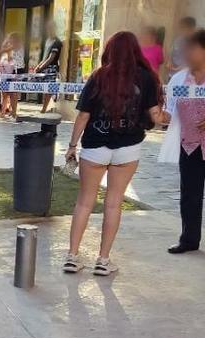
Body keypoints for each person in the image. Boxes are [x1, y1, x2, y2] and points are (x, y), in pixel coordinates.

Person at [63, 32, 165, 276]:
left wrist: (72, 145)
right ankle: (103, 260)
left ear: (108, 51)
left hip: (95, 148)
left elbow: (83, 115)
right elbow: (156, 118)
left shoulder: (99, 76)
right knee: (113, 204)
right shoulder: (147, 78)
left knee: (84, 203)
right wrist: (172, 118)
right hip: (127, 149)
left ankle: (72, 256)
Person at [162, 29, 205, 254]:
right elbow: (168, 111)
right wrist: (157, 116)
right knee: (190, 193)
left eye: (192, 49)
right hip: (190, 144)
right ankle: (189, 239)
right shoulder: (179, 79)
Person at [34, 21, 63, 113]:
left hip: (51, 68)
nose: (48, 31)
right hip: (44, 66)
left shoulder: (57, 42)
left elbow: (51, 58)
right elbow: (45, 56)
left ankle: (44, 108)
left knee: (48, 88)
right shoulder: (48, 41)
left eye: (50, 28)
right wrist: (39, 66)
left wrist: (41, 67)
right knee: (44, 87)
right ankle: (46, 106)